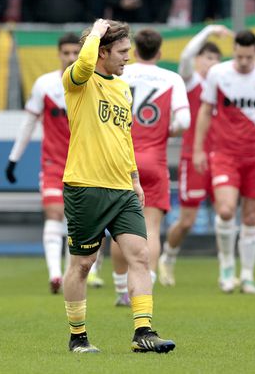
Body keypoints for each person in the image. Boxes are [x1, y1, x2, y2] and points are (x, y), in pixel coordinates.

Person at [61, 18, 175, 353]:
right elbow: (84, 64)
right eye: (122, 51)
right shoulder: (78, 80)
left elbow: (124, 138)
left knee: (140, 255)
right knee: (83, 264)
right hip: (85, 186)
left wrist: (135, 179)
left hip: (122, 189)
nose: (128, 57)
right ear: (102, 52)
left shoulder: (123, 88)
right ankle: (78, 336)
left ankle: (144, 332)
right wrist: (96, 33)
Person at [6, 32, 107, 294]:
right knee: (53, 213)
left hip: (87, 164)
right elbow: (29, 122)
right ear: (59, 54)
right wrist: (14, 158)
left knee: (87, 219)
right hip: (54, 163)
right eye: (66, 53)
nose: (71, 57)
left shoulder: (93, 82)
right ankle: (55, 274)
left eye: (76, 53)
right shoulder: (45, 84)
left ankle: (89, 270)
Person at [192, 30, 255, 294]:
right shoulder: (218, 74)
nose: (243, 62)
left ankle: (248, 275)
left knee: (251, 216)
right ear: (234, 51)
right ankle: (227, 267)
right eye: (239, 57)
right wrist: (198, 149)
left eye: (248, 58)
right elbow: (205, 110)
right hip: (224, 153)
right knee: (227, 210)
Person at [110, 28, 190, 306]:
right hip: (154, 159)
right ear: (159, 52)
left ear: (134, 51)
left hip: (120, 158)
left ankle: (121, 289)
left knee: (119, 228)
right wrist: (167, 131)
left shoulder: (120, 73)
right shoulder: (171, 78)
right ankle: (146, 285)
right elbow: (185, 121)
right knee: (151, 227)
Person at [157, 25, 230, 287]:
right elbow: (186, 55)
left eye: (216, 58)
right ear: (198, 60)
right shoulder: (191, 81)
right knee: (187, 221)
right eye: (207, 57)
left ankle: (226, 271)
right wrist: (208, 31)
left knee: (225, 213)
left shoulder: (224, 84)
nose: (212, 63)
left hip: (222, 156)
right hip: (193, 157)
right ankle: (168, 257)